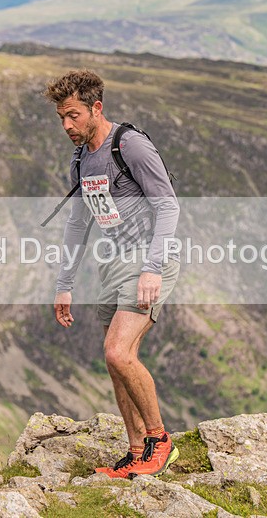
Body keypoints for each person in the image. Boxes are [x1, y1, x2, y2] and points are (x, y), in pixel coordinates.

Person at [44, 69, 181, 479]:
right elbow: (77, 223)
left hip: (149, 263)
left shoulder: (130, 146)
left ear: (96, 108)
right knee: (117, 362)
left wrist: (151, 269)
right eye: (61, 118)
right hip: (113, 264)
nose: (67, 125)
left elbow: (168, 206)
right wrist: (64, 283)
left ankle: (160, 442)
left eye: (73, 115)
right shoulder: (81, 158)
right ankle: (136, 451)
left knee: (118, 351)